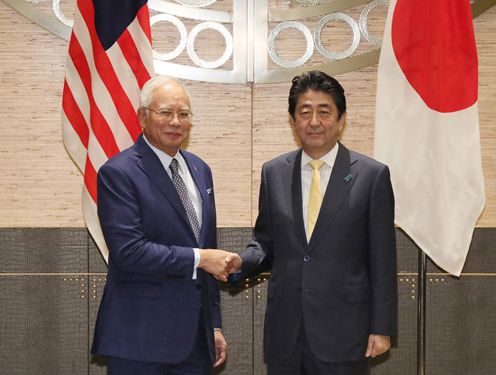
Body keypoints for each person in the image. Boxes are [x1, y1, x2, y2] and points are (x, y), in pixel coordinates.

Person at [228, 70, 397, 375]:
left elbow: (383, 259)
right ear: (293, 121)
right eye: (304, 113)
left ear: (341, 118)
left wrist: (382, 327)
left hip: (345, 331)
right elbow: (265, 242)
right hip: (286, 331)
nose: (314, 122)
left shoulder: (371, 176)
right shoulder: (273, 172)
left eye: (324, 111)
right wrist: (238, 261)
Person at [91, 76, 234, 375]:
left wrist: (215, 325)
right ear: (143, 116)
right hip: (140, 339)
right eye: (165, 112)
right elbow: (129, 252)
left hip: (195, 340)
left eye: (183, 114)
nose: (175, 121)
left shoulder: (200, 170)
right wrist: (201, 258)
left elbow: (207, 245)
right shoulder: (118, 172)